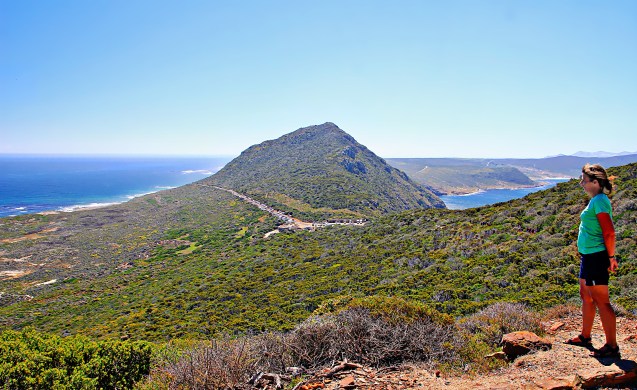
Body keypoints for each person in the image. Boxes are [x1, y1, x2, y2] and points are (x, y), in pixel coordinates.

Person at [565, 163, 620, 358]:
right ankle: (585, 336)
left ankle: (612, 346)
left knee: (601, 301)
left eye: (584, 181)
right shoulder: (596, 200)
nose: (582, 184)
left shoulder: (600, 201)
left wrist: (611, 257)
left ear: (595, 182)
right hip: (588, 256)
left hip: (597, 256)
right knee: (586, 296)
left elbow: (609, 232)